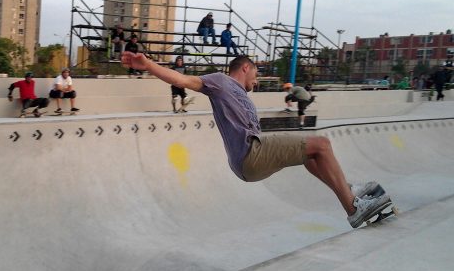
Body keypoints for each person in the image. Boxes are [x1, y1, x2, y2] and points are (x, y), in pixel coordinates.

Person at [121, 52, 389, 228]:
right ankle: (353, 207)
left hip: (251, 158)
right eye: (256, 74)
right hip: (251, 155)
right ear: (245, 67)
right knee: (322, 144)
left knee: (310, 154)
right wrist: (147, 66)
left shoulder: (243, 96)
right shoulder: (220, 82)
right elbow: (183, 79)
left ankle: (346, 188)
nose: (257, 81)